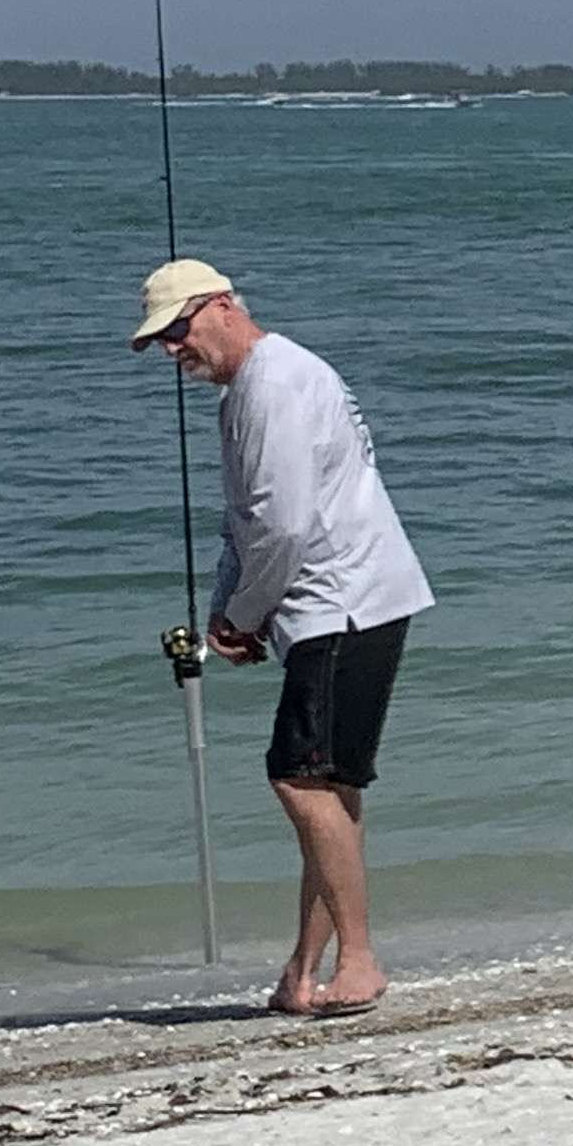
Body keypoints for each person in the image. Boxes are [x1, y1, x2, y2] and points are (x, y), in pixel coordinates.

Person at [131, 263, 436, 1019]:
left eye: (180, 328)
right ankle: (305, 971)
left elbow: (284, 525)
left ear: (224, 307)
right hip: (349, 601)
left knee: (301, 779)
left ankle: (359, 961)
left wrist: (243, 615)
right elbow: (249, 518)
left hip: (343, 604)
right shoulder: (258, 387)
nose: (174, 350)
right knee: (326, 784)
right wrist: (226, 611)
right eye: (162, 339)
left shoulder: (274, 384)